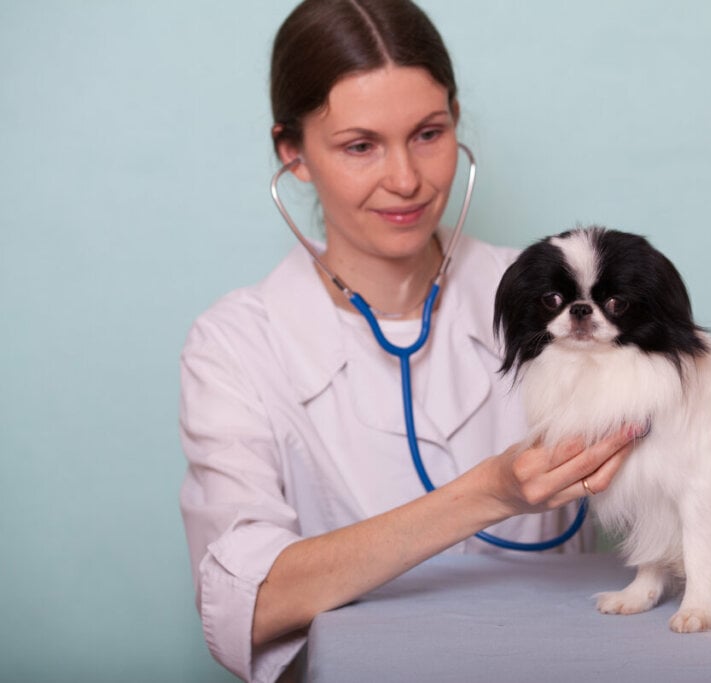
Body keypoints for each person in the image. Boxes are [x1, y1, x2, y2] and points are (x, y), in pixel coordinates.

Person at [178, 1, 641, 680]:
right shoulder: (238, 345)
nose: (406, 179)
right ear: (292, 152)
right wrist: (490, 492)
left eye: (428, 133)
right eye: (360, 145)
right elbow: (249, 602)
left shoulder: (559, 300)